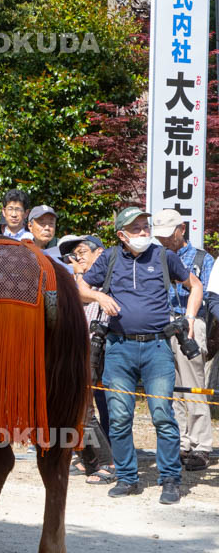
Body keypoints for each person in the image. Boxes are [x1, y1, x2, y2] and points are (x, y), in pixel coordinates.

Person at [78, 207, 203, 504]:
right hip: (118, 348)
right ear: (121, 235)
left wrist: (189, 318)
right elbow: (80, 288)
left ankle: (171, 479)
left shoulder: (163, 256)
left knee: (162, 415)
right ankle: (127, 477)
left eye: (145, 226)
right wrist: (99, 296)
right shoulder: (108, 258)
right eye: (136, 229)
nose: (144, 232)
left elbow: (195, 285)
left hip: (158, 347)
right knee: (120, 417)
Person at [153, 209, 214, 472]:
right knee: (171, 386)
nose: (165, 241)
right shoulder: (156, 256)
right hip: (162, 323)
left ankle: (201, 445)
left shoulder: (202, 258)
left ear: (182, 229)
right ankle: (180, 442)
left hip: (191, 322)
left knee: (194, 384)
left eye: (169, 235)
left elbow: (210, 295)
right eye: (161, 237)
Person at [59, 234, 114, 484]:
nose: (77, 258)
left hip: (99, 349)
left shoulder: (110, 280)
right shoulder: (74, 281)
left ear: (99, 254)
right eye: (74, 254)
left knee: (86, 408)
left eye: (82, 252)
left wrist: (82, 281)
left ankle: (106, 462)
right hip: (73, 349)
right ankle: (88, 459)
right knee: (76, 408)